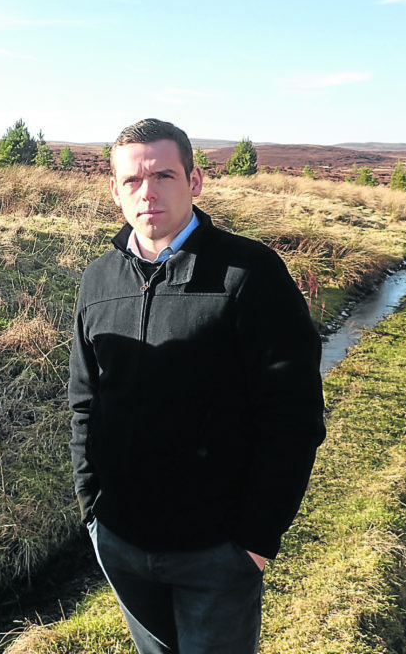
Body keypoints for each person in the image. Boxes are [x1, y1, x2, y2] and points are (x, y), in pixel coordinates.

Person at [68, 118, 325, 653]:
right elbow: (84, 402)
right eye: (133, 181)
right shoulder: (98, 280)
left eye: (164, 175)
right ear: (114, 189)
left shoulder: (249, 274)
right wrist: (93, 507)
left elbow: (293, 415)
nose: (149, 192)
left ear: (195, 181)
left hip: (217, 548)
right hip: (121, 540)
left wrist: (255, 538)